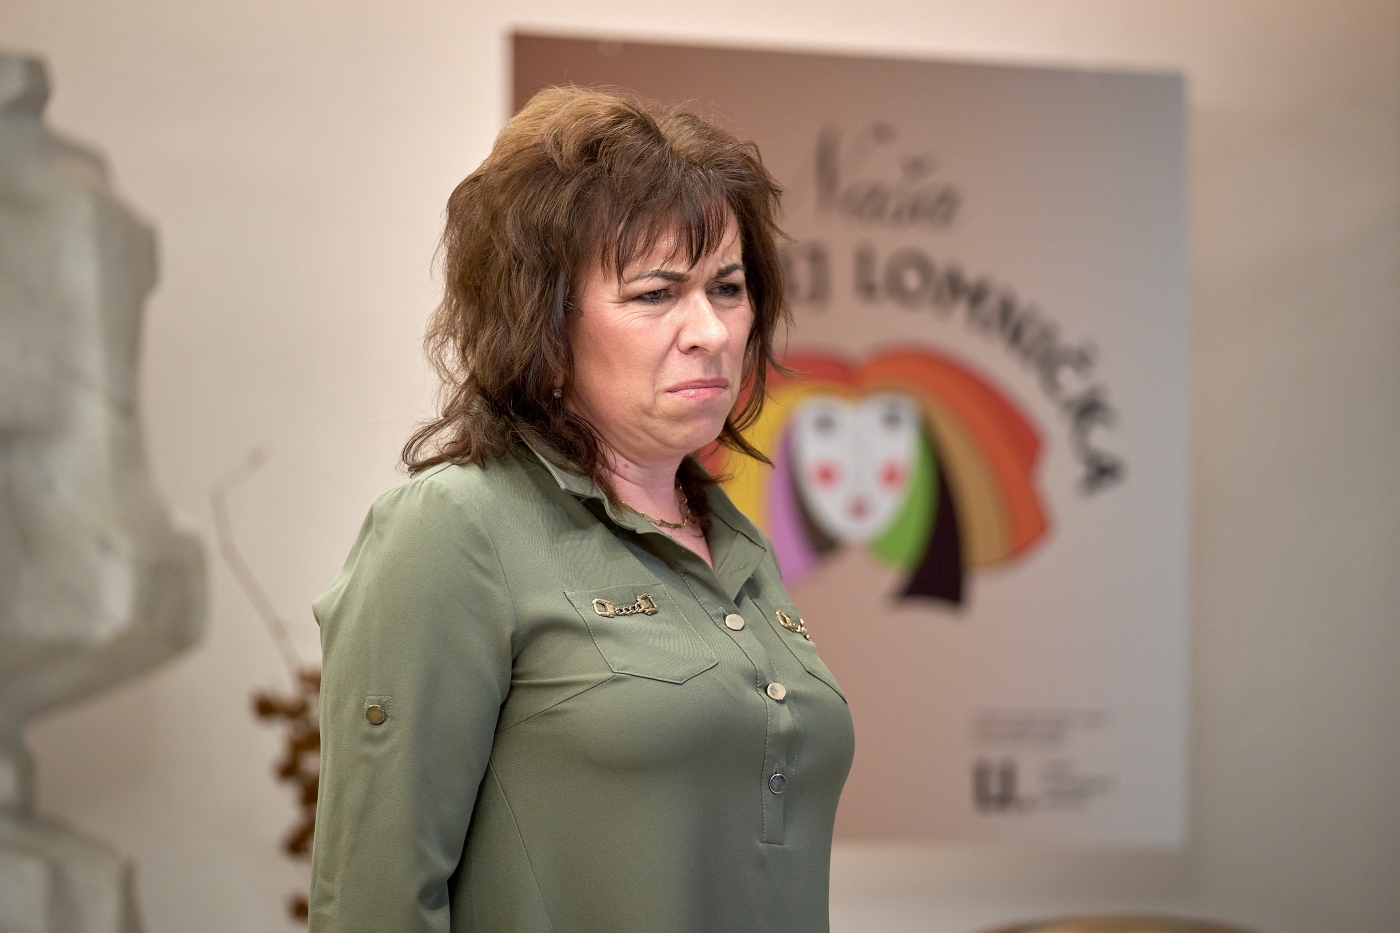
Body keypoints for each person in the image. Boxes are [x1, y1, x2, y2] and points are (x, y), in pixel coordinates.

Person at [309, 86, 855, 933]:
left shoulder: (738, 543)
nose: (710, 331)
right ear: (542, 319)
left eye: (728, 287)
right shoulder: (453, 529)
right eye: (655, 293)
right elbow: (372, 905)